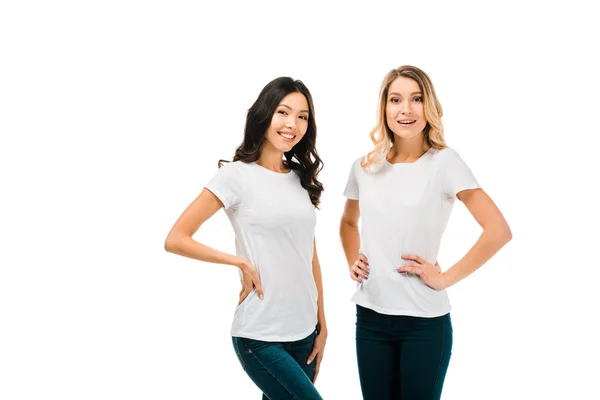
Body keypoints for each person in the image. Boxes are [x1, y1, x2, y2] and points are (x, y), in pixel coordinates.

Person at [339, 65, 512, 400]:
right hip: (371, 319)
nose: (406, 109)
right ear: (384, 108)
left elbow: (498, 230)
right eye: (396, 100)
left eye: (416, 99)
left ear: (428, 106)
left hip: (423, 323)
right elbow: (347, 222)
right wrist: (353, 260)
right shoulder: (364, 166)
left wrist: (444, 277)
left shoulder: (445, 162)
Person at [165, 77, 327, 400]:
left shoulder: (300, 179)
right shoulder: (236, 176)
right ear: (265, 114)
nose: (292, 124)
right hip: (260, 336)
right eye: (283, 112)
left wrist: (322, 324)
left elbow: (309, 254)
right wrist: (238, 261)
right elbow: (176, 238)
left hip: (305, 333)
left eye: (302, 116)